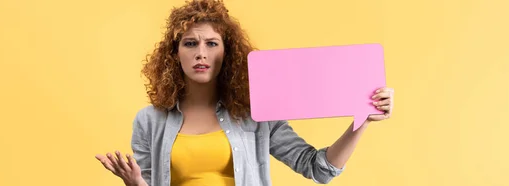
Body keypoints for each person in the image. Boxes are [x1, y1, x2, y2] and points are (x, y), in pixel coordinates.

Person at [95, 0, 395, 186]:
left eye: (212, 43)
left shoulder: (255, 113)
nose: (201, 53)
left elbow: (318, 168)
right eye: (190, 43)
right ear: (174, 54)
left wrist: (362, 121)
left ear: (228, 53)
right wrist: (135, 183)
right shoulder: (149, 121)